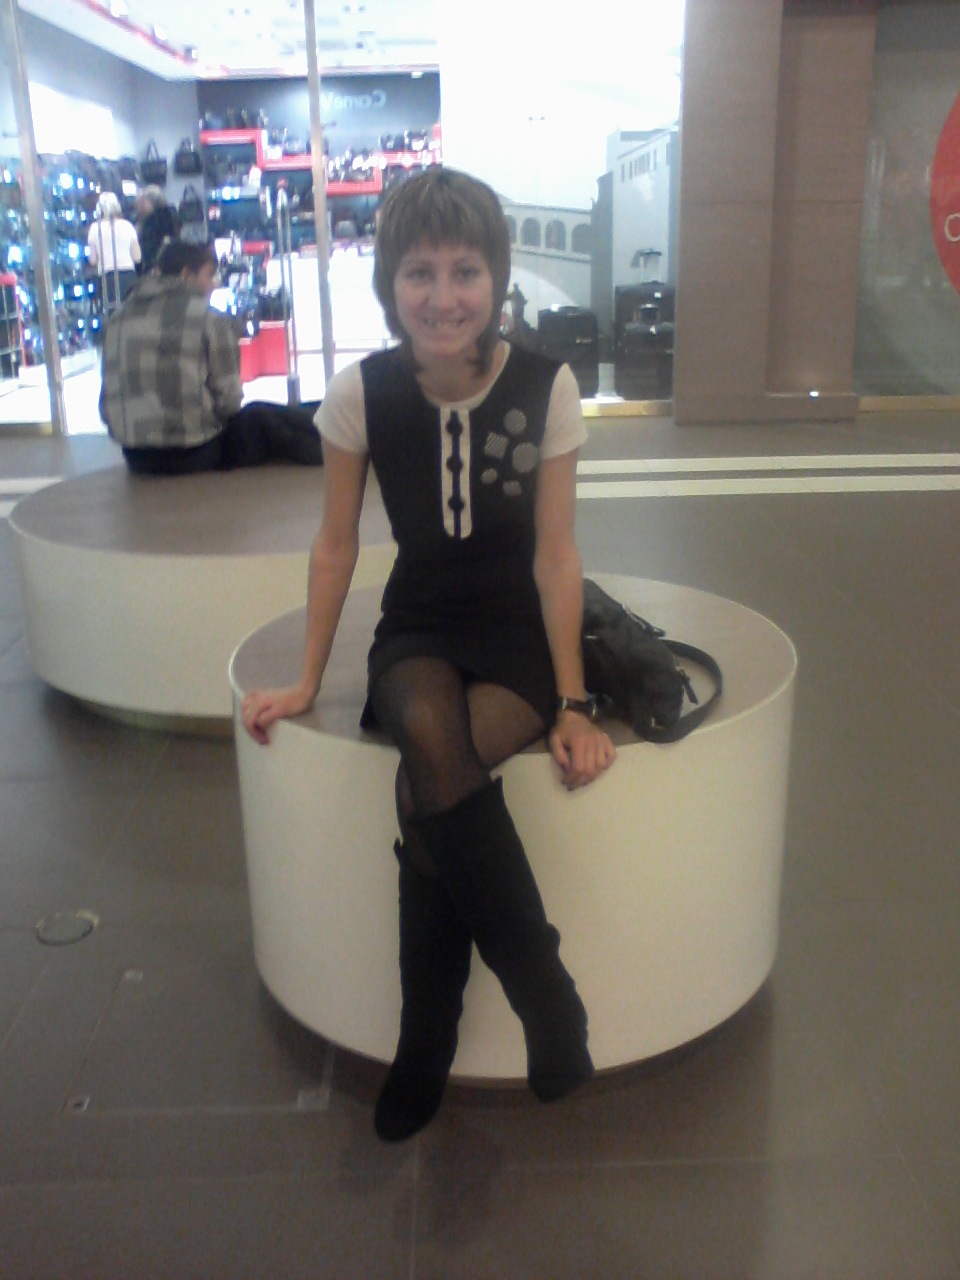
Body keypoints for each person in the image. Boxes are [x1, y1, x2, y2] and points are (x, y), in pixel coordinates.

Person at [240, 168, 616, 1142]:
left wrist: (573, 700)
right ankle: (548, 997)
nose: (443, 296)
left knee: (427, 787)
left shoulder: (547, 386)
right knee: (424, 724)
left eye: (465, 270)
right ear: (388, 283)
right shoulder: (360, 393)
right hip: (417, 622)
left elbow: (557, 555)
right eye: (419, 272)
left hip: (515, 629)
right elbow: (335, 545)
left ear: (497, 277)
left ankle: (427, 1042)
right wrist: (308, 679)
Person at [99, 239, 324, 474]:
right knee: (260, 418)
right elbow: (229, 402)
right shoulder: (209, 319)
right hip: (194, 453)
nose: (214, 284)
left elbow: (106, 404)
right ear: (187, 274)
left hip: (135, 456)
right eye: (209, 275)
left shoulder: (117, 319)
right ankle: (327, 442)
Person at [86, 191, 141, 311]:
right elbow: (137, 257)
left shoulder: (95, 228)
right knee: (131, 311)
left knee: (112, 313)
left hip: (106, 278)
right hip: (128, 276)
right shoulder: (127, 226)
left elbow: (93, 260)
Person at [135, 185, 180, 275]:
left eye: (144, 202)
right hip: (170, 262)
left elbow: (153, 243)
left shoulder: (153, 220)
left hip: (157, 265)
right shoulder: (170, 214)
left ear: (151, 201)